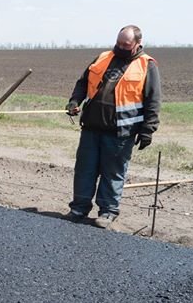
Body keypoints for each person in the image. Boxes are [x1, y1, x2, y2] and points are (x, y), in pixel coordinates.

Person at [65, 25, 161, 229]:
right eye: (118, 43)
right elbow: (83, 82)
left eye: (125, 45)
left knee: (113, 173)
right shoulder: (103, 57)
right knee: (84, 170)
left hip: (121, 133)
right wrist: (75, 101)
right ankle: (79, 208)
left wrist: (148, 130)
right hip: (91, 126)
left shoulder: (147, 66)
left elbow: (153, 100)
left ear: (137, 44)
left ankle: (108, 212)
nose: (120, 47)